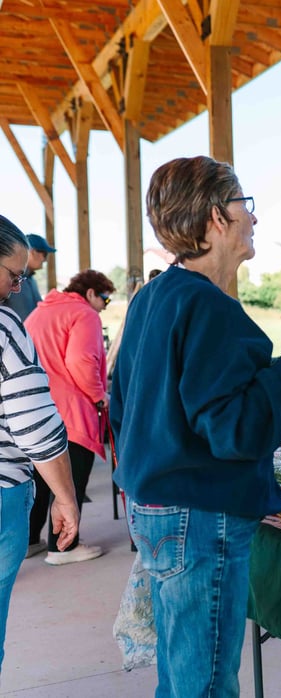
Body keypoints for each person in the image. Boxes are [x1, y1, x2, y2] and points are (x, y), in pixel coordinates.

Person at [110, 156, 281, 697]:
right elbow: (235, 432)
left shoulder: (152, 297)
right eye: (245, 205)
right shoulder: (206, 306)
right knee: (206, 685)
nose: (252, 219)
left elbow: (121, 404)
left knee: (183, 676)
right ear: (217, 217)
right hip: (199, 519)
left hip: (160, 507)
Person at [0, 214, 79, 672]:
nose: (16, 288)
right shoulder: (5, 327)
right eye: (14, 275)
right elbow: (34, 427)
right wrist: (65, 497)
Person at [25, 269, 116, 564]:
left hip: (34, 408)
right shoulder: (84, 314)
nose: (104, 305)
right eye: (104, 298)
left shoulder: (41, 312)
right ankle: (62, 547)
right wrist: (99, 395)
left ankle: (30, 541)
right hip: (70, 411)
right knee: (71, 479)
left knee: (40, 478)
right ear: (90, 293)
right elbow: (80, 361)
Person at [2, 233, 56, 320]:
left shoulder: (32, 280)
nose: (45, 260)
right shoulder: (8, 277)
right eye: (45, 254)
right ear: (32, 252)